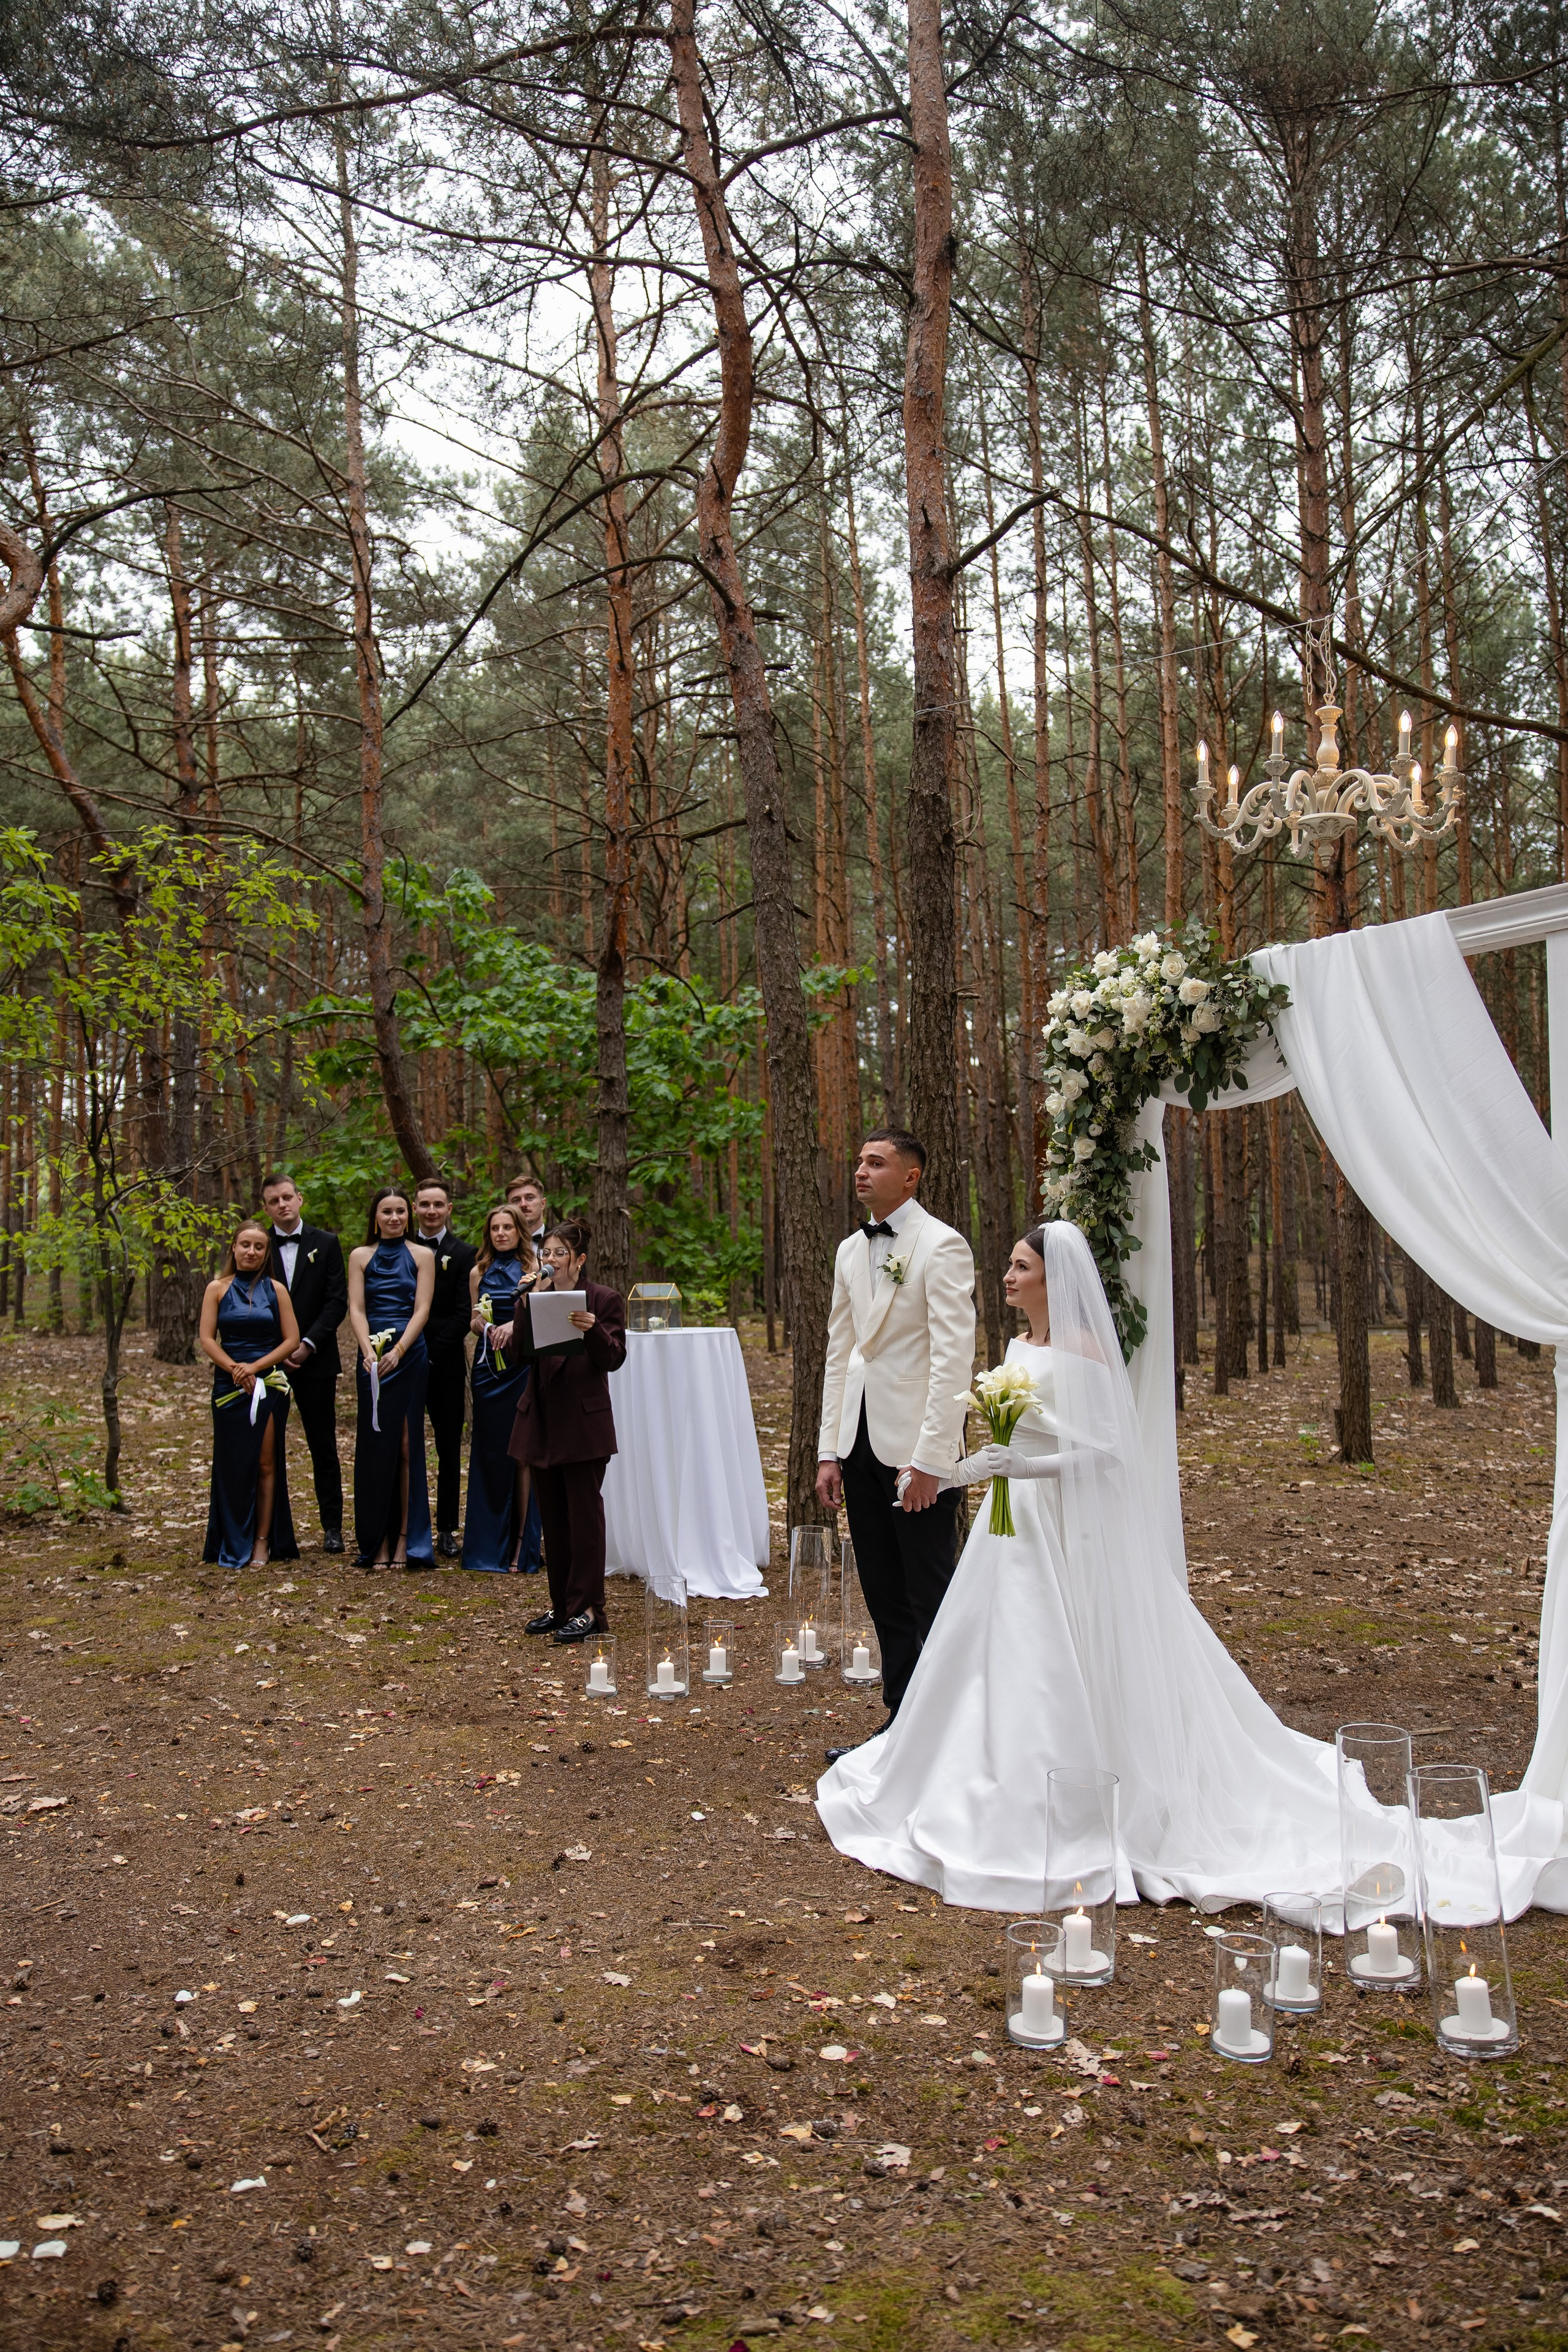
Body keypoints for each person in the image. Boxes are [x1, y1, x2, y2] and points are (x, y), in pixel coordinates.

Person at [816, 1223, 1373, 1909]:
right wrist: (950, 1474)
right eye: (1010, 1267)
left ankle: (1072, 1791)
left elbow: (1107, 1452)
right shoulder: (1020, 1345)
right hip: (1009, 1529)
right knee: (995, 1654)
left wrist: (1025, 1466)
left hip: (1060, 1528)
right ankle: (983, 1777)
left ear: (1055, 1279)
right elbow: (1004, 1443)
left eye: (1021, 1268)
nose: (1008, 1278)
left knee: (1055, 1655)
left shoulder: (1081, 1351)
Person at [815, 1130, 976, 1739]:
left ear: (910, 1176)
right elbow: (840, 1353)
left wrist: (931, 1459)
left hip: (915, 1449)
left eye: (875, 1163)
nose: (861, 1171)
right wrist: (829, 1449)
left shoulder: (942, 1246)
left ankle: (946, 1728)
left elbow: (950, 1360)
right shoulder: (848, 1251)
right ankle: (901, 1720)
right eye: (859, 1161)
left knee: (927, 1590)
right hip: (858, 1443)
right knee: (881, 1588)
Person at [508, 1217, 626, 1645]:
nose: (551, 1260)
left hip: (583, 1422)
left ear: (579, 1259)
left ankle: (590, 1609)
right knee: (554, 1520)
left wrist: (592, 1330)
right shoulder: (536, 1297)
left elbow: (614, 1358)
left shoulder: (604, 1299)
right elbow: (519, 1355)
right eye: (546, 1253)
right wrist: (526, 1305)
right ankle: (563, 1607)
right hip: (542, 1419)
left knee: (584, 1519)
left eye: (560, 1253)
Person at [199, 1218, 301, 1570]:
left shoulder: (277, 1290)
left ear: (265, 1252)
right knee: (232, 1463)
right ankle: (230, 1537)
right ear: (234, 1247)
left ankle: (261, 1540)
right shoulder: (216, 1288)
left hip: (267, 1385)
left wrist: (255, 1369)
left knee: (264, 1462)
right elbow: (207, 1339)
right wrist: (234, 1369)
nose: (252, 1252)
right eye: (245, 1245)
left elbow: (291, 1340)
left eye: (259, 1247)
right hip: (228, 1385)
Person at [347, 1187, 435, 1569]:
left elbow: (423, 1308)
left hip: (410, 1355)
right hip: (371, 1358)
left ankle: (405, 1539)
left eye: (401, 1211)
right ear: (376, 1216)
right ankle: (375, 1539)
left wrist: (399, 1350)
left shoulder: (423, 1255)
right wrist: (369, 1351)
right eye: (387, 1211)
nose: (395, 1218)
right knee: (374, 1446)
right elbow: (356, 1306)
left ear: (409, 1214)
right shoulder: (359, 1256)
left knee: (405, 1445)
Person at [262, 1172, 348, 1553]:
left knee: (323, 1445)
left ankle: (332, 1528)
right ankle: (271, 1527)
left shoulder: (326, 1243)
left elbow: (336, 1300)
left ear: (300, 1199)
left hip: (316, 1359)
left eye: (287, 1197)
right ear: (266, 1208)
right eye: (273, 1201)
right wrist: (280, 1348)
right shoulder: (256, 1244)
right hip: (269, 1360)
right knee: (267, 1445)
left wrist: (308, 1343)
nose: (282, 1205)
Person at [461, 1205, 541, 1572]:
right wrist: (485, 1326)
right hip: (488, 1367)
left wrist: (515, 1325)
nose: (501, 1234)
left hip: (521, 1365)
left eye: (508, 1227)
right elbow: (474, 1319)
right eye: (495, 1228)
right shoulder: (478, 1271)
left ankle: (522, 1544)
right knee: (490, 1451)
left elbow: (541, 1314)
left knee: (522, 1452)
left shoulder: (533, 1270)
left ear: (519, 1231)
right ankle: (486, 1543)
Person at [410, 1176, 478, 1559]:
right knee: (406, 1445)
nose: (431, 1211)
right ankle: (408, 1523)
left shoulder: (464, 1253)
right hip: (402, 1359)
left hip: (445, 1362)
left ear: (449, 1209)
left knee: (449, 1448)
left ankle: (448, 1528)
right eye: (425, 1205)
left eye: (438, 1205)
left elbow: (463, 1311)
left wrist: (431, 1350)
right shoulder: (400, 1248)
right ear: (415, 1208)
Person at [507, 1174, 551, 1257]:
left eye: (530, 1198)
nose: (523, 1204)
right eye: (516, 1200)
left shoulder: (562, 1242)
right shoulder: (499, 1246)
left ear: (543, 1204)